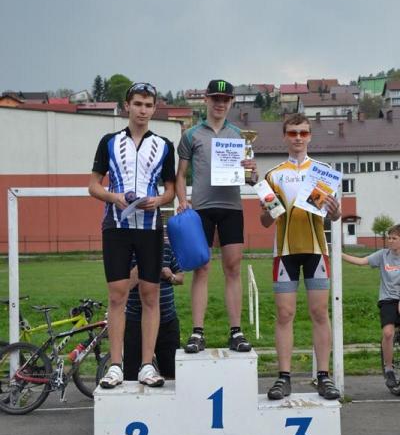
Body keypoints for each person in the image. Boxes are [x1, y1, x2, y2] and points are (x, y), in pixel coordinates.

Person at [89, 82, 175, 388]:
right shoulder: (109, 142)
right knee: (117, 294)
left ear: (154, 108)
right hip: (116, 226)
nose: (142, 110)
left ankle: (146, 366)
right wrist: (114, 197)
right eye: (137, 104)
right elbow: (93, 185)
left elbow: (171, 190)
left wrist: (159, 200)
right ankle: (115, 365)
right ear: (127, 106)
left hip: (150, 227)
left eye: (148, 105)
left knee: (150, 294)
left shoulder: (164, 145)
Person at [260, 112, 341, 400]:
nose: (298, 138)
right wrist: (269, 211)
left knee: (319, 312)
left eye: (303, 133)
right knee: (285, 314)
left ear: (309, 136)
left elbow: (334, 215)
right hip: (284, 252)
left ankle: (323, 376)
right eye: (293, 133)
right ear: (285, 136)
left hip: (317, 250)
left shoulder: (323, 171)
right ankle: (284, 377)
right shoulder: (273, 175)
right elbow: (265, 222)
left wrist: (335, 211)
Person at [176, 79, 258, 354]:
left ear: (231, 102)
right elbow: (180, 174)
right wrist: (182, 201)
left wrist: (252, 171)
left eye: (225, 99)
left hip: (231, 208)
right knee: (201, 268)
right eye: (215, 98)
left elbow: (250, 177)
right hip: (201, 209)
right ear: (206, 100)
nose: (220, 103)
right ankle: (197, 332)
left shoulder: (240, 136)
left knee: (233, 268)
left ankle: (236, 331)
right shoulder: (191, 135)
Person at [342, 224, 400, 392]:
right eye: (389, 238)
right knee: (388, 333)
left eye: (394, 238)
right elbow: (361, 261)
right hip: (388, 299)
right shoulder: (383, 255)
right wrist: (339, 254)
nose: (390, 241)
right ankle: (389, 369)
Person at [124, 240, 184, 380]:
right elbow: (124, 287)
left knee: (172, 373)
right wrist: (143, 266)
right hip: (136, 322)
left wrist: (170, 276)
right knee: (132, 376)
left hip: (167, 320)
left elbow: (181, 278)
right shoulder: (128, 251)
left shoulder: (166, 248)